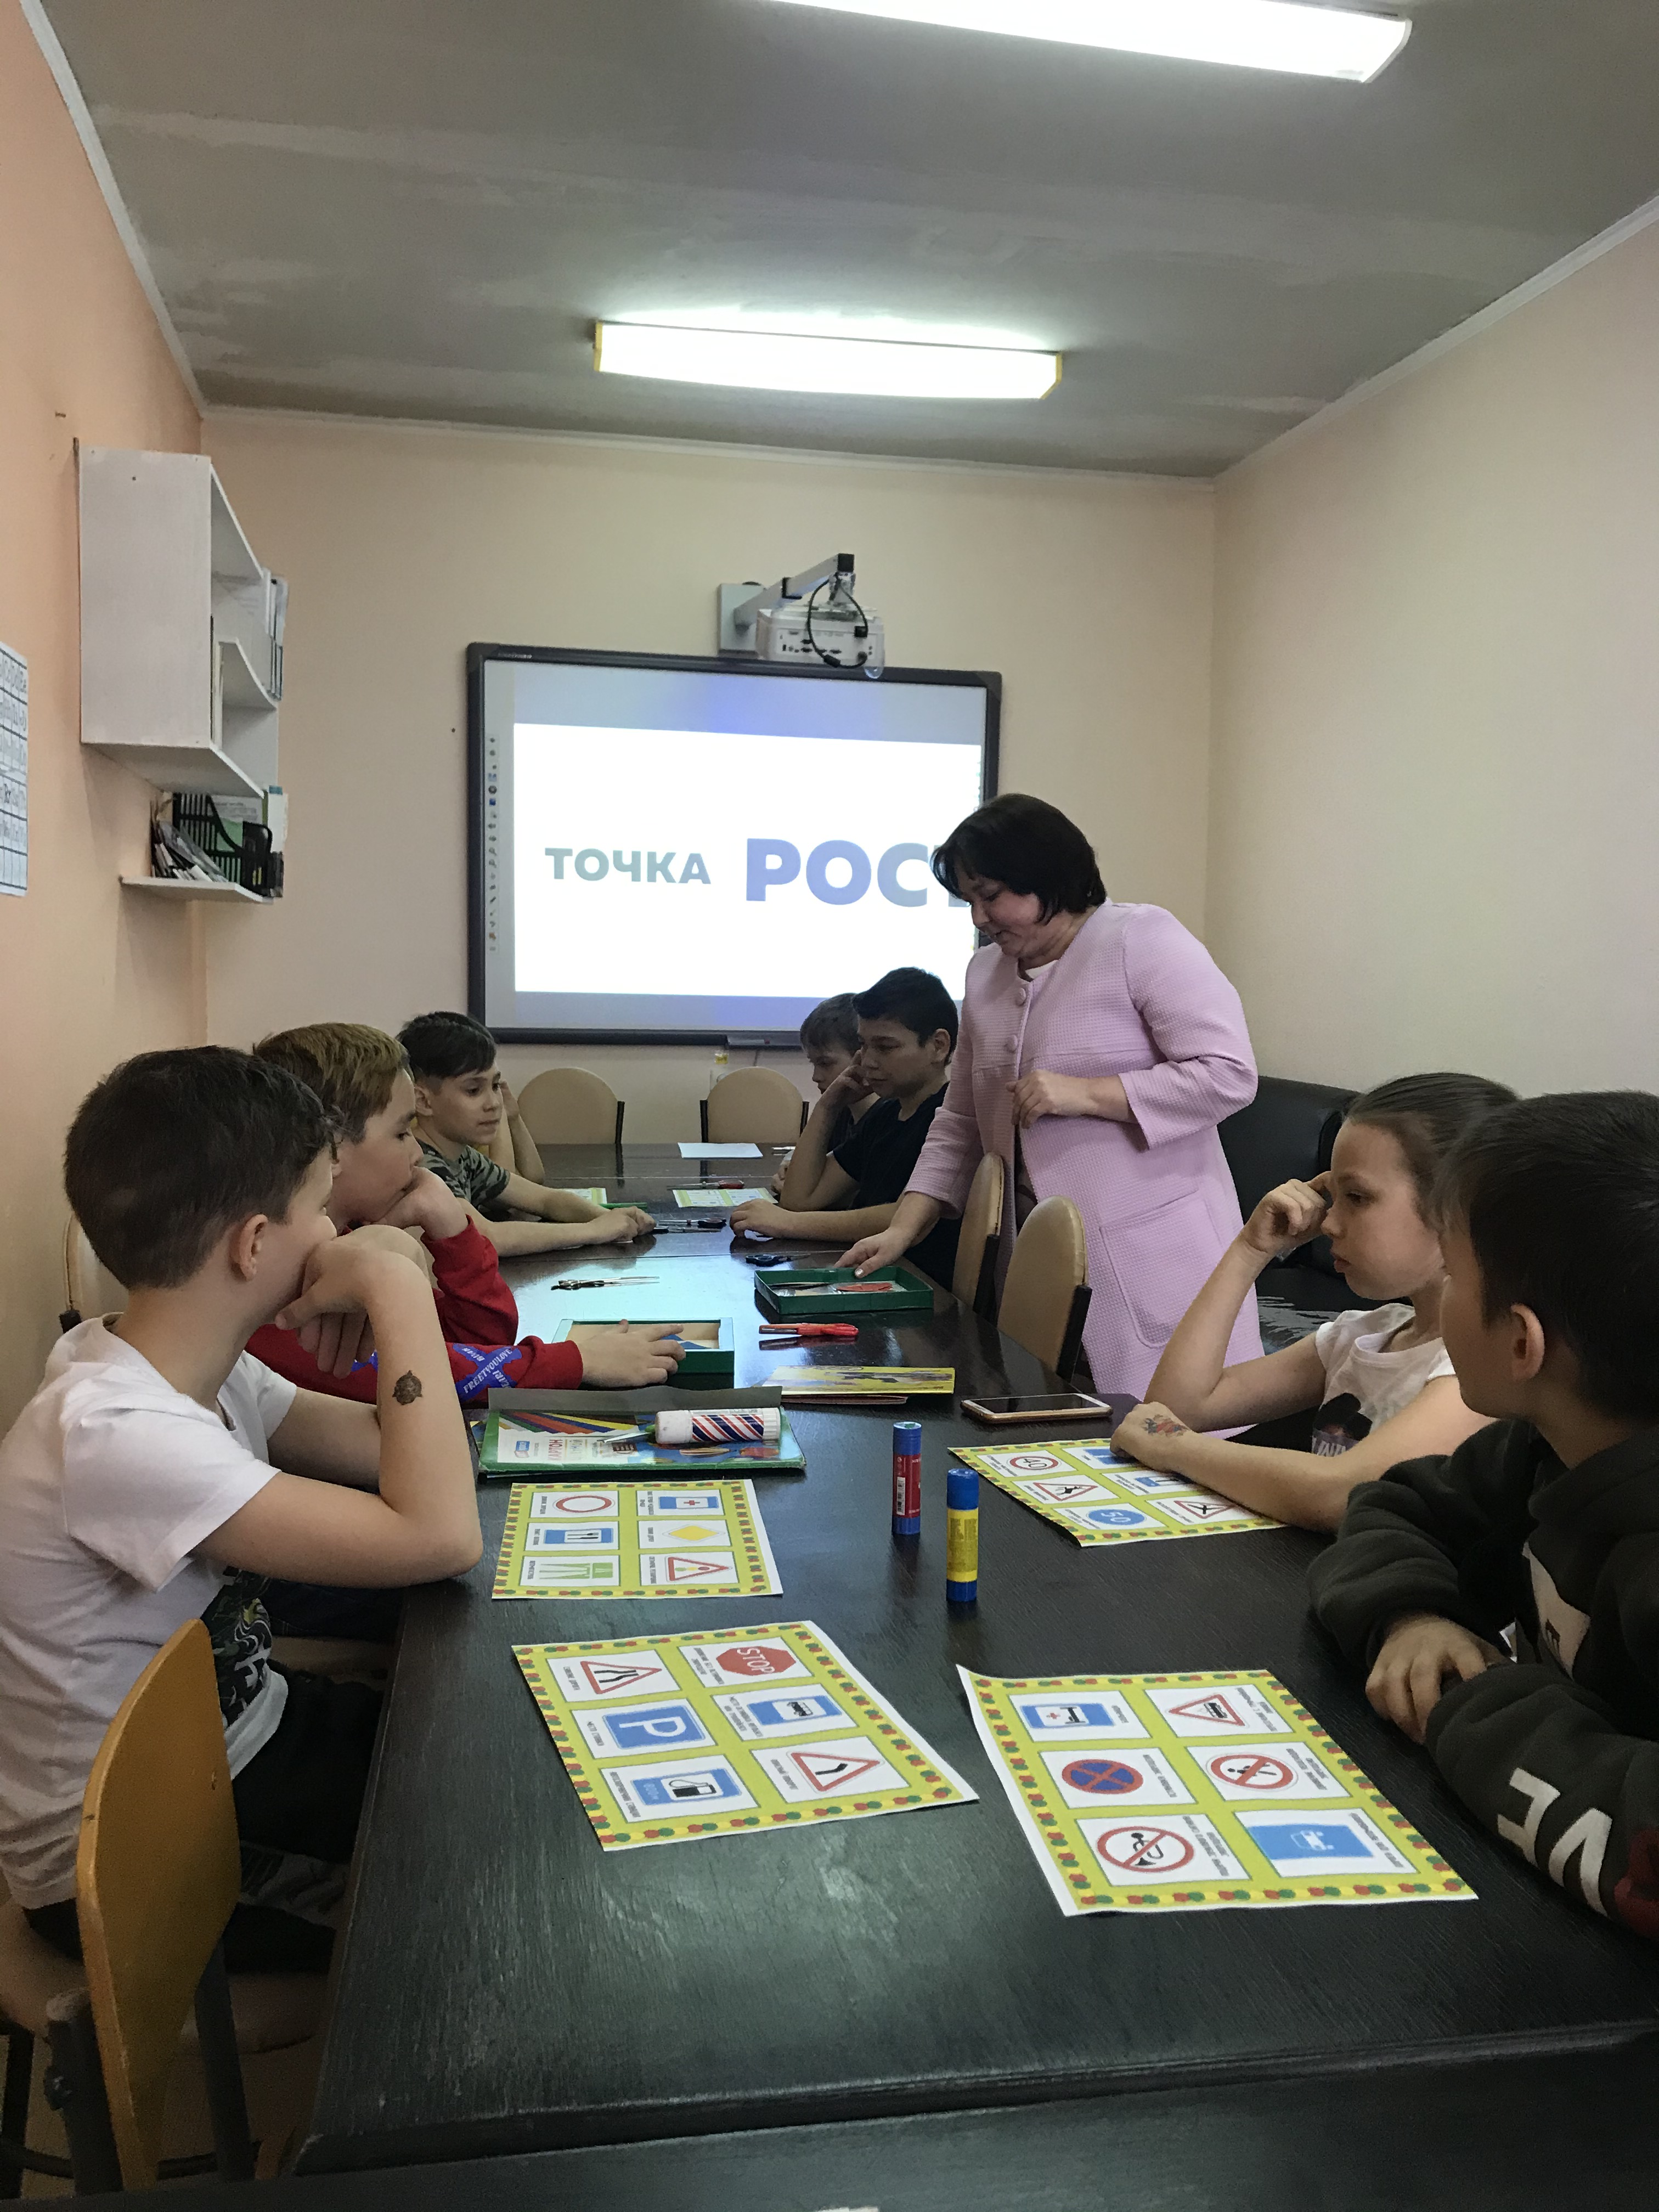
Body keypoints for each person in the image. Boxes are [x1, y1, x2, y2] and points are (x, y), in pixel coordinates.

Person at [0, 1048, 483, 1972]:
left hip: (241, 1736)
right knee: (474, 1895)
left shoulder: (190, 1370)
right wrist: (394, 1286)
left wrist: (386, 1283)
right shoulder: (116, 1431)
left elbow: (408, 1454)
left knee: (483, 1766)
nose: (340, 1235)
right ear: (253, 1244)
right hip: (131, 1859)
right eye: (324, 1211)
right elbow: (440, 1534)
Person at [1308, 1091, 1659, 1937]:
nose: (1444, 1293)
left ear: (1522, 1343)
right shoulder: (1546, 1442)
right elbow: (1396, 1505)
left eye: (1456, 1277)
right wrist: (1412, 1614)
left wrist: (1473, 1702)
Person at [840, 794, 1260, 1395]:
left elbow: (1229, 1073)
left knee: (1169, 1424)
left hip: (1154, 1257)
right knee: (1053, 1424)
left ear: (1048, 878)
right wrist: (903, 1229)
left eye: (991, 895)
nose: (980, 917)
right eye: (969, 900)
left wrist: (1089, 1094)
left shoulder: (1141, 939)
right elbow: (959, 1121)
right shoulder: (984, 973)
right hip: (1034, 1263)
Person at [1110, 1074, 1513, 1530]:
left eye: (1357, 1197)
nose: (1329, 1223)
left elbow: (1344, 1493)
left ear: (1457, 1211)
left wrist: (1176, 1447)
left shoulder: (1474, 1370)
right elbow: (1180, 1406)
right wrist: (1250, 1250)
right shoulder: (1362, 1337)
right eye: (1331, 1197)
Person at [249, 1023, 682, 1401]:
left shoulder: (351, 1237)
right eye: (402, 1133)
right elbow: (418, 1378)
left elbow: (482, 1338)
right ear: (331, 1148)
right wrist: (577, 1362)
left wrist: (452, 1227)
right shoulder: (274, 1280)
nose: (417, 1153)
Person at [731, 969, 961, 1286]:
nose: (868, 1062)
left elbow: (904, 1216)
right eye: (864, 1046)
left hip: (921, 1285)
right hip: (870, 1275)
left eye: (885, 1047)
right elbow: (799, 1199)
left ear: (938, 1046)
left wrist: (788, 1224)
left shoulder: (951, 1119)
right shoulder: (885, 1114)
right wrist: (829, 1106)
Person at [396, 1011, 653, 1257]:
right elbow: (486, 1239)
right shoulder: (421, 1165)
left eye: (495, 1086)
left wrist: (608, 1217)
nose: (494, 1103)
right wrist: (594, 1230)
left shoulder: (462, 1156)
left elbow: (545, 1199)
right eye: (473, 1091)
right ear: (424, 1101)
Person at [770, 995, 873, 1194]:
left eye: (825, 1063)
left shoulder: (885, 1122)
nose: (815, 1077)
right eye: (814, 1063)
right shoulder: (840, 1113)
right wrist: (791, 1165)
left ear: (863, 1058)